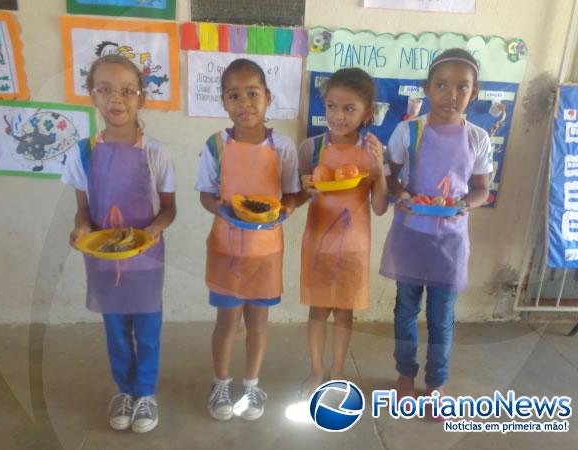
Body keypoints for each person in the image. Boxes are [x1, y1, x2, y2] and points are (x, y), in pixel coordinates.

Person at [62, 55, 176, 433]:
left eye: (128, 90)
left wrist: (156, 228)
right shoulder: (81, 152)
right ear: (91, 95)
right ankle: (124, 390)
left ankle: (145, 393)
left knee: (147, 330)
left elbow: (170, 209)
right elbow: (83, 211)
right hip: (103, 259)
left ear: (141, 97)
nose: (117, 99)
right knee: (115, 331)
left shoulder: (156, 152)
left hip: (145, 258)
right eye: (106, 89)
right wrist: (80, 230)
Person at [380, 48, 492, 420]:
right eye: (441, 85)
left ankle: (436, 384)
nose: (451, 95)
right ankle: (404, 375)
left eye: (462, 87)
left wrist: (466, 206)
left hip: (451, 241)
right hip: (411, 234)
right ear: (427, 89)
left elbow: (481, 189)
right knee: (405, 311)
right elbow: (391, 176)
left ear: (473, 94)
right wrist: (400, 195)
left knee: (443, 317)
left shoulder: (477, 138)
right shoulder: (408, 130)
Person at [195, 58, 300, 421]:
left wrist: (288, 209)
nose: (245, 103)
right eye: (234, 96)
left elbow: (292, 195)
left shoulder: (282, 147)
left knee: (258, 320)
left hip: (266, 250)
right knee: (227, 321)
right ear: (223, 102)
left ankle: (251, 384)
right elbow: (206, 194)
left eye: (252, 93)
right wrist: (220, 210)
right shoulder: (215, 146)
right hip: (225, 247)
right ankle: (220, 382)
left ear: (268, 98)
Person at [297, 68, 388, 396]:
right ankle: (317, 371)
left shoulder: (372, 149)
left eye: (349, 108)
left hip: (353, 247)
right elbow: (299, 196)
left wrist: (379, 173)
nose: (338, 115)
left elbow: (379, 207)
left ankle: (337, 372)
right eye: (332, 106)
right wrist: (307, 188)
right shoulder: (312, 147)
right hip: (318, 244)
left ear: (367, 112)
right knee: (318, 309)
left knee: (344, 312)